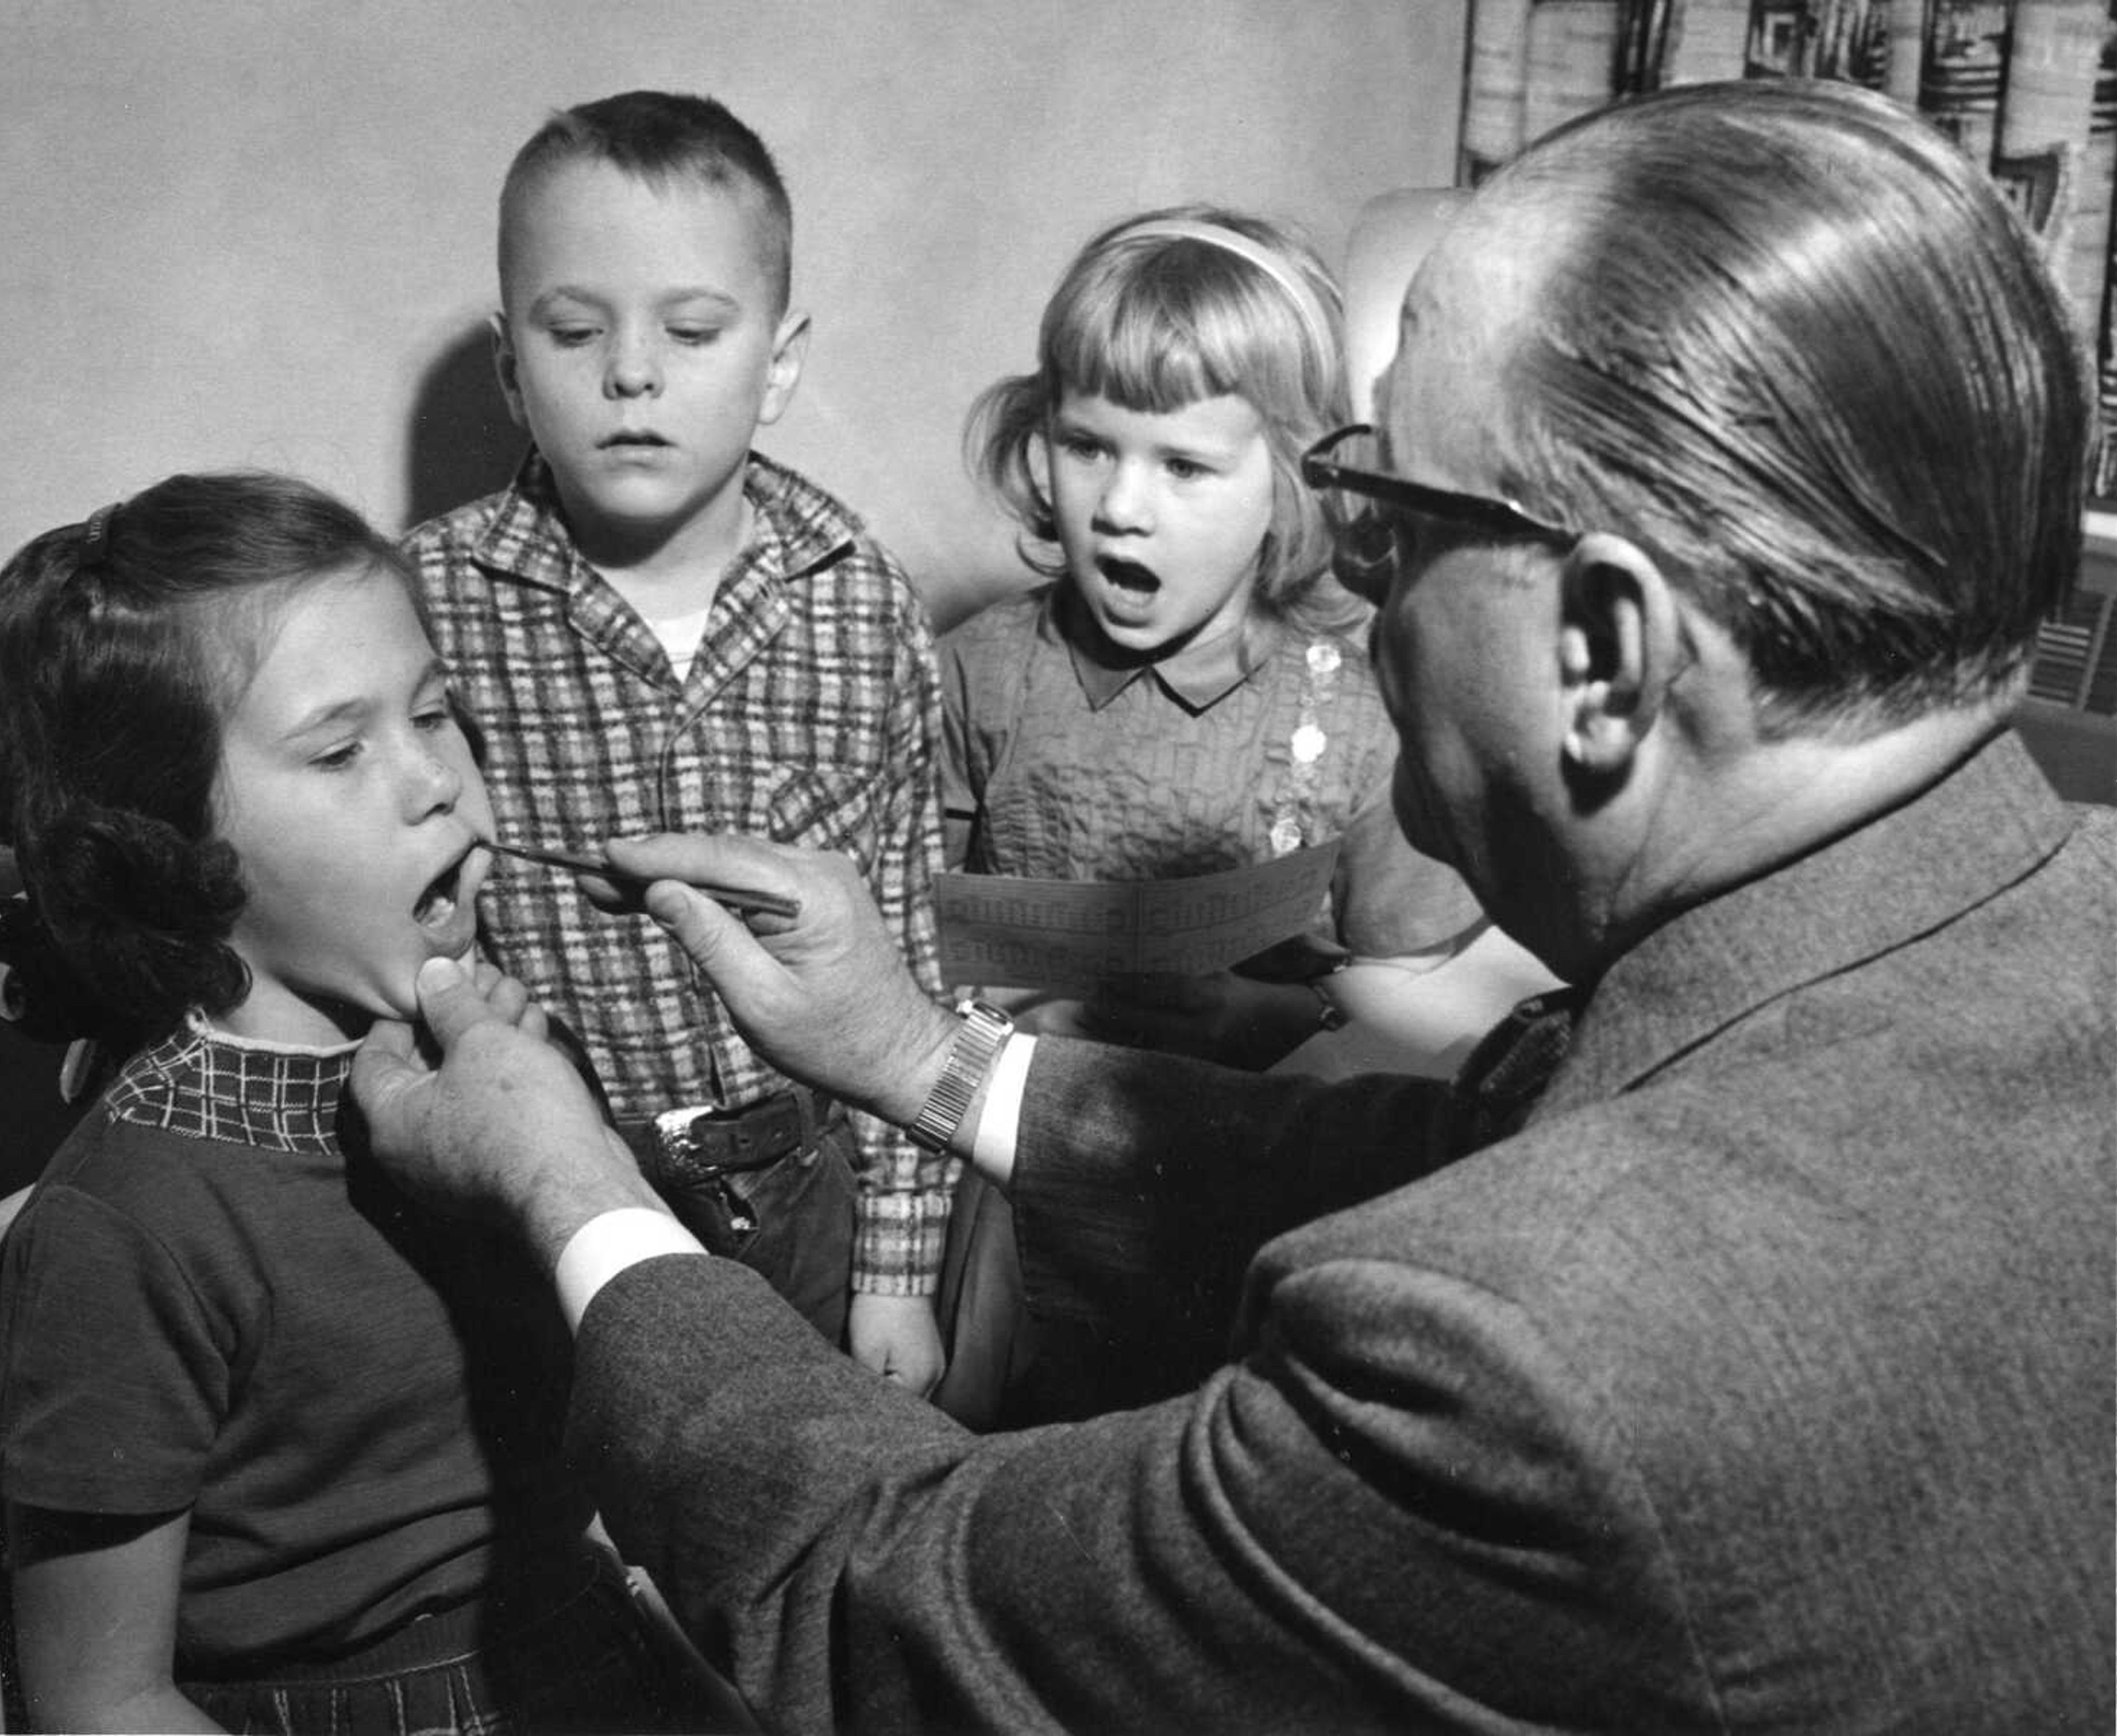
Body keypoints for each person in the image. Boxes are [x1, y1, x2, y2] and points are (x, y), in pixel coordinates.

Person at [353, 80, 2114, 1733]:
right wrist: (915, 1049)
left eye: (1391, 519)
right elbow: (1463, 1141)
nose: (1349, 583)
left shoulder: (1532, 1359)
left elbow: (886, 1602)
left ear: (1603, 655)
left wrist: (566, 1179)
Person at [0, 474, 702, 1731]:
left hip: (586, 1648)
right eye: (340, 747)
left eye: (436, 714)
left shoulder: (506, 1067)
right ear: (170, 839)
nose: (435, 782)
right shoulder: (131, 1222)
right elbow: (104, 1702)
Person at [937, 203, 1540, 1424]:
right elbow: (911, 925)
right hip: (994, 1175)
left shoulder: (1366, 692)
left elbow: (1407, 985)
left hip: (1235, 1197)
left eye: (1185, 466)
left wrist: (1251, 1013)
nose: (1119, 506)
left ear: (1291, 482)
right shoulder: (981, 669)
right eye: (1087, 444)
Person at [402, 89, 950, 1389]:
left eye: (693, 329)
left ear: (779, 363)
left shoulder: (859, 597)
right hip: (551, 1196)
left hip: (803, 1182)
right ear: (510, 369)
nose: (632, 372)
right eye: (576, 329)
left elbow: (914, 951)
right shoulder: (426, 602)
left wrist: (897, 1268)